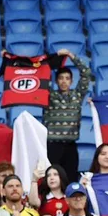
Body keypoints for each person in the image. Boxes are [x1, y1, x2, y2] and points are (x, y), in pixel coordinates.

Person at [42, 50, 94, 181]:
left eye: (67, 78)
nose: (64, 81)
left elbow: (86, 72)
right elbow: (42, 72)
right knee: (51, 180)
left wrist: (72, 56)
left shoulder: (77, 95)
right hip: (52, 145)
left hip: (70, 145)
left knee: (70, 179)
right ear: (56, 80)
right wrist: (54, 57)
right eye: (60, 78)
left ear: (71, 81)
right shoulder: (49, 95)